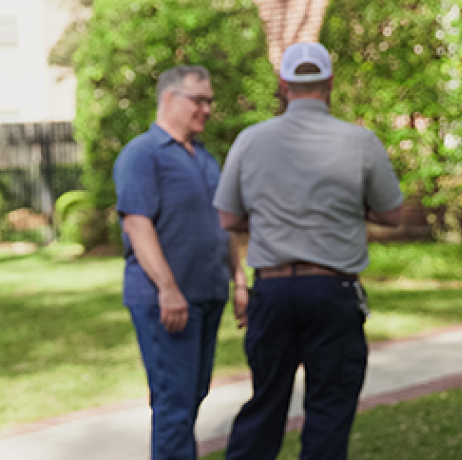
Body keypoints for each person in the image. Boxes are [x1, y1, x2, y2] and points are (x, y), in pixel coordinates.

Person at [213, 42, 404, 460]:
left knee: (265, 403)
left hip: (272, 291)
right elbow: (393, 214)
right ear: (329, 83)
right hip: (332, 291)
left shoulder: (250, 140)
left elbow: (227, 218)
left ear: (283, 84)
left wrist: (269, 218)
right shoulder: (360, 141)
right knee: (330, 409)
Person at [113, 65, 248, 459]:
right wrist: (168, 290)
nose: (207, 109)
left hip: (208, 295)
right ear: (169, 99)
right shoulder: (142, 155)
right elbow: (138, 227)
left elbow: (224, 226)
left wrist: (239, 282)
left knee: (192, 397)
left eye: (210, 101)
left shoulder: (205, 158)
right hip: (166, 302)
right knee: (174, 403)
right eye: (199, 100)